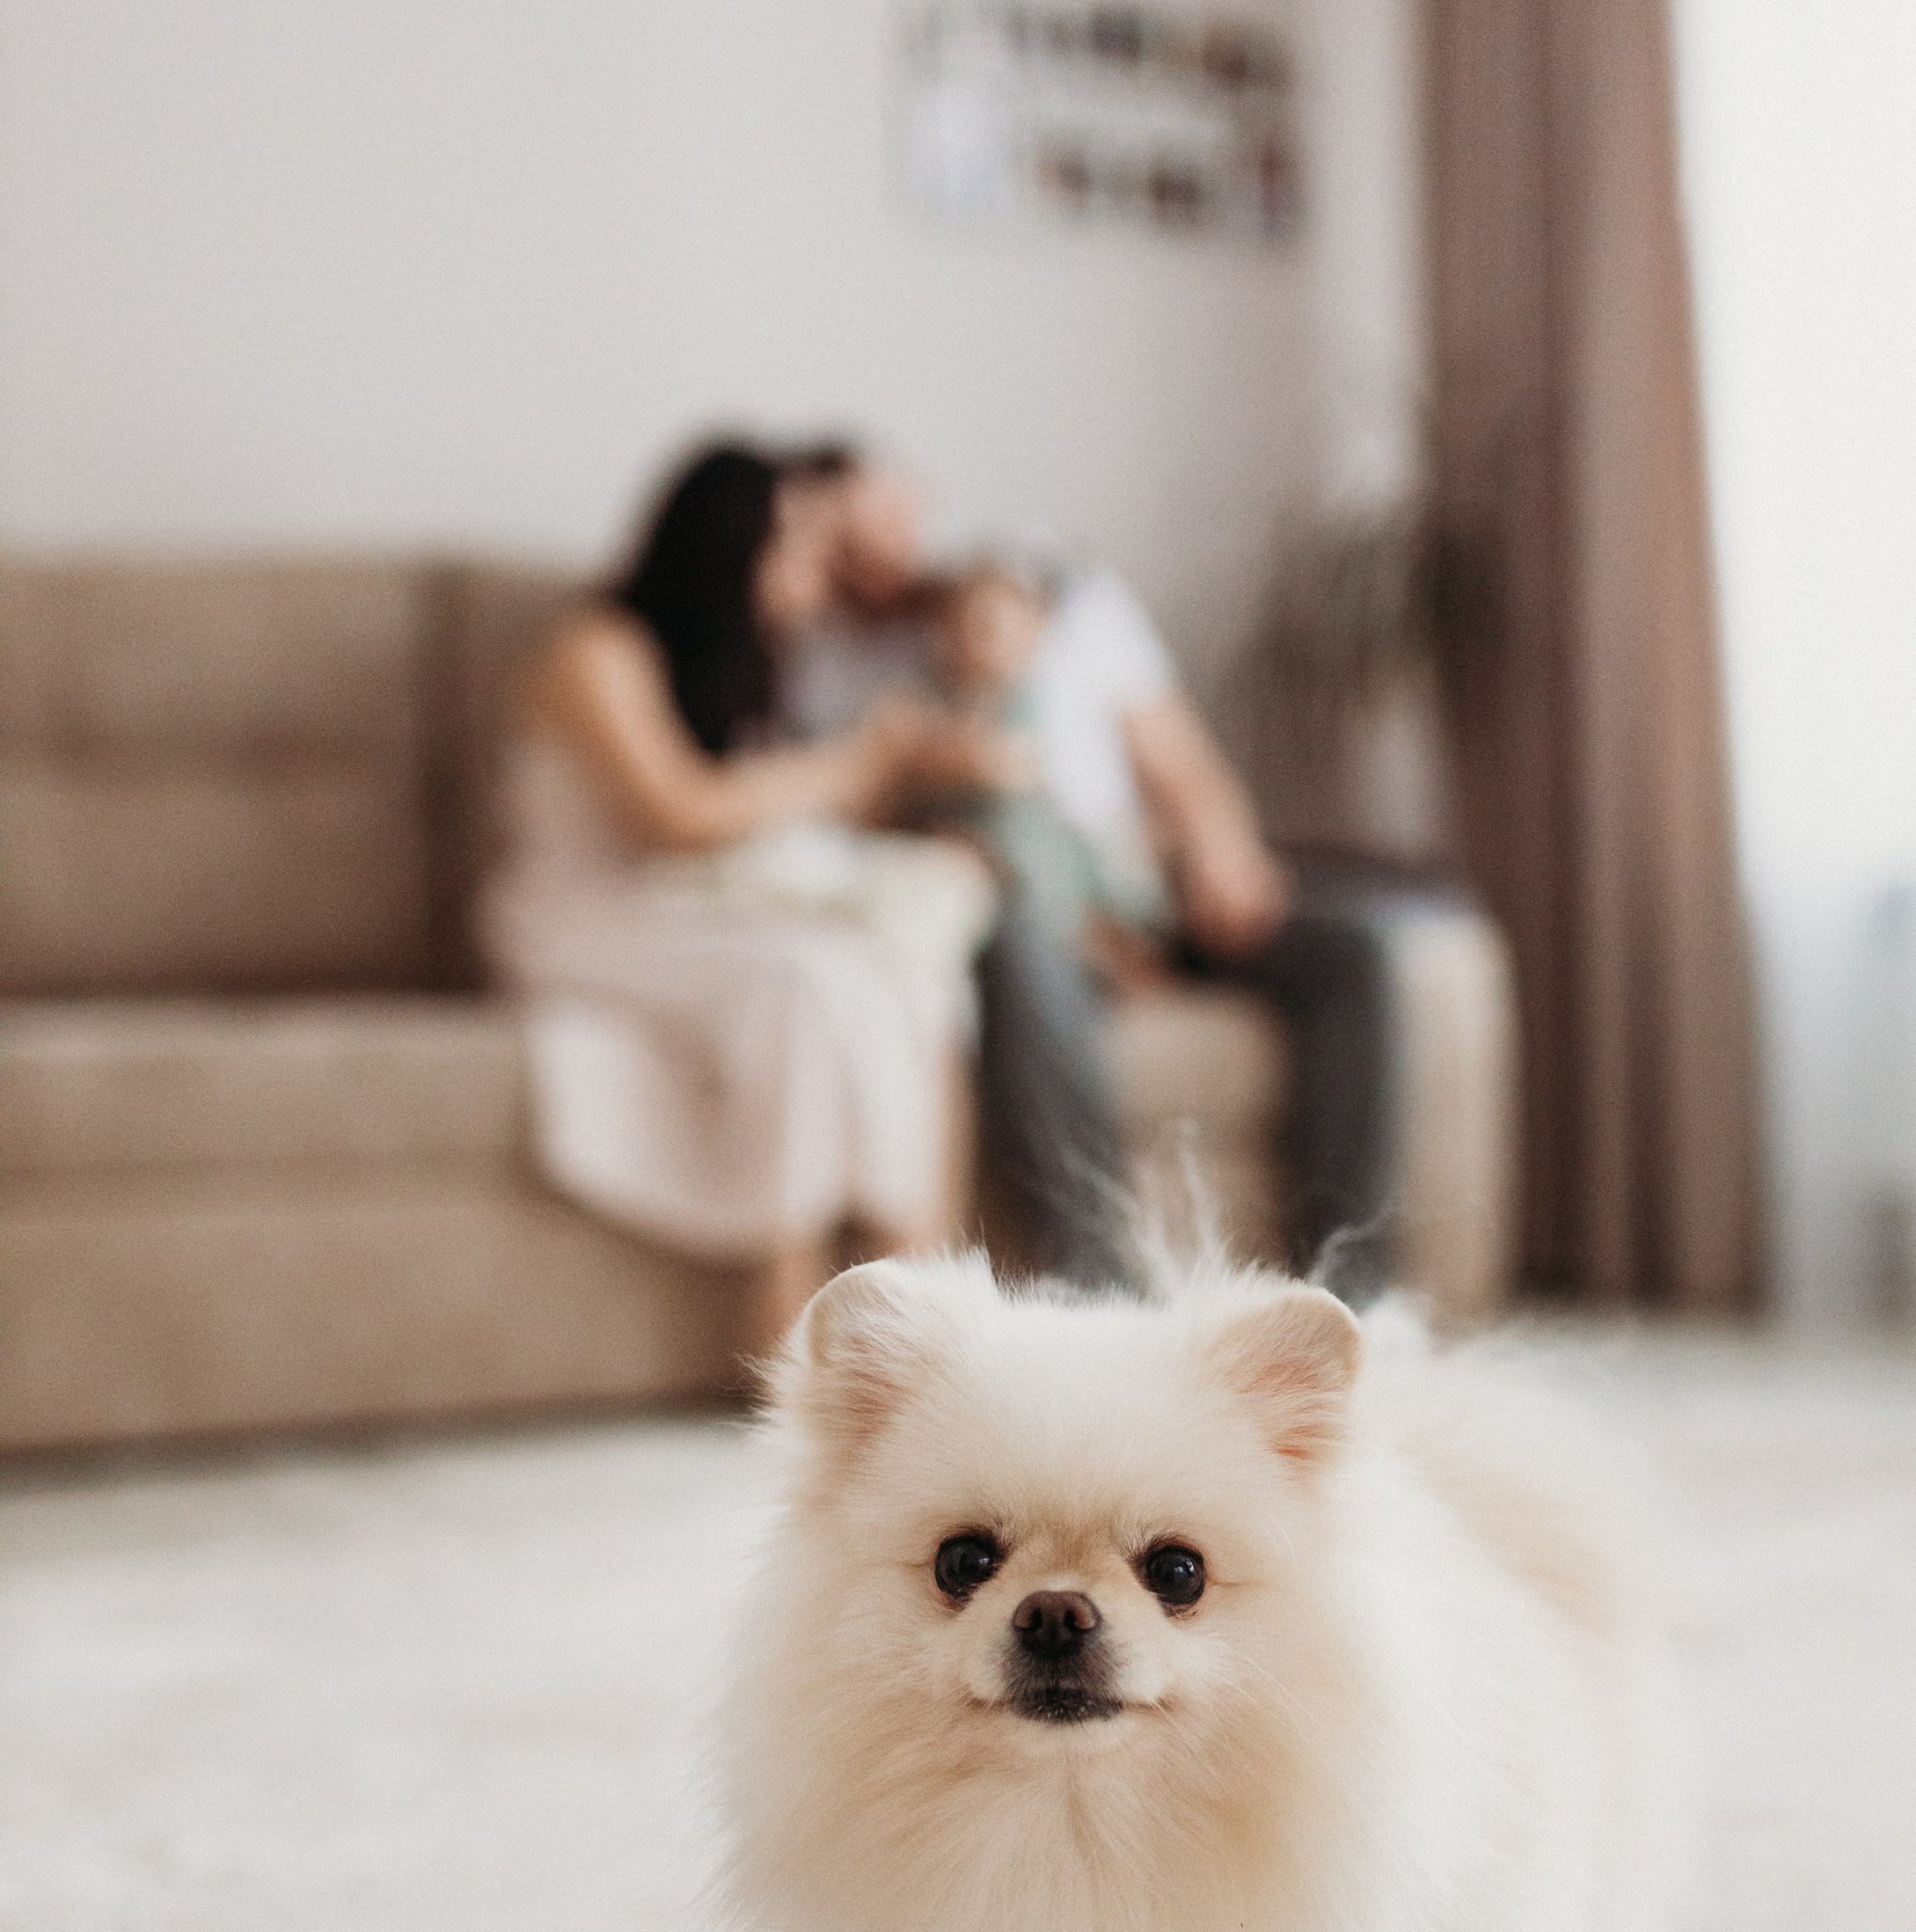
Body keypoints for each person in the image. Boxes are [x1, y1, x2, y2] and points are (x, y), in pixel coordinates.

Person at [782, 457, 1398, 1299]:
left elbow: (1179, 760)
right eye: (849, 542)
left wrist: (1222, 851)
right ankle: (1096, 1276)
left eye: (889, 518)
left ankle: (1350, 1290)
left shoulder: (1051, 594)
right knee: (1015, 940)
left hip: (1141, 885)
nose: (882, 551)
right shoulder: (829, 670)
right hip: (1026, 918)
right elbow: (841, 832)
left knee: (1354, 953)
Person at [480, 441, 997, 1365]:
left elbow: (779, 819)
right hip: (582, 920)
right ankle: (785, 1327)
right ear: (729, 550)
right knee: (805, 982)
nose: (813, 575)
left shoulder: (747, 667)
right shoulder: (596, 652)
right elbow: (677, 816)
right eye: (795, 548)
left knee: (903, 970)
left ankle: (925, 1297)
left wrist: (922, 774)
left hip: (694, 916)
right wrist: (853, 761)